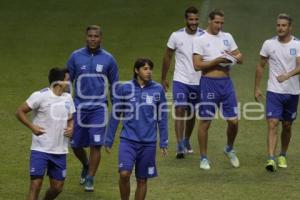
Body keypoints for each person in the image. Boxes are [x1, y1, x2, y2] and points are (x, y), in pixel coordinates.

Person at [105, 58, 168, 200]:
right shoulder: (125, 88)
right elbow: (116, 114)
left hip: (149, 142)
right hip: (128, 140)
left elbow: (162, 117)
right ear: (136, 70)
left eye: (150, 69)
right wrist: (109, 139)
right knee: (124, 174)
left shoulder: (158, 89)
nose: (149, 72)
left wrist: (163, 141)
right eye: (145, 69)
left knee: (142, 179)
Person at [67, 25, 119, 191]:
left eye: (96, 36)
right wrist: (64, 104)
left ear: (101, 39)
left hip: (99, 108)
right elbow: (67, 81)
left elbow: (114, 84)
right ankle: (85, 164)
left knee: (96, 144)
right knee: (75, 144)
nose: (92, 39)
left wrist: (116, 103)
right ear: (86, 37)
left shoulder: (109, 59)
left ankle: (90, 178)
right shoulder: (75, 56)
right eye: (90, 36)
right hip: (78, 107)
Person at [192, 9, 243, 170]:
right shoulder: (200, 40)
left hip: (226, 83)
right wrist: (218, 60)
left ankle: (229, 148)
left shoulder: (227, 37)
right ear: (209, 21)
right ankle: (204, 158)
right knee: (205, 122)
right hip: (208, 84)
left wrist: (234, 57)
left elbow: (240, 57)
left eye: (221, 23)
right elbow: (197, 65)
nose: (219, 26)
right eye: (216, 22)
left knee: (234, 121)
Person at [16, 67, 75, 200]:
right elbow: (20, 111)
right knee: (35, 185)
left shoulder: (68, 98)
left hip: (60, 151)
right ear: (59, 82)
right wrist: (32, 127)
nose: (70, 83)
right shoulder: (40, 96)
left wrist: (72, 128)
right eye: (67, 80)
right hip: (40, 149)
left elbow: (71, 118)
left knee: (57, 188)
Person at [254, 13, 300, 172]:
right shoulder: (268, 44)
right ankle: (271, 159)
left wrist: (288, 75)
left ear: (290, 27)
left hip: (292, 92)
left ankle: (282, 154)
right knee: (272, 124)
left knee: (287, 125)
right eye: (278, 25)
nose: (280, 28)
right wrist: (257, 87)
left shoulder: (297, 44)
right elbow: (260, 66)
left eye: (283, 25)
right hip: (274, 91)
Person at [161, 6, 203, 159]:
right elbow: (167, 57)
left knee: (191, 113)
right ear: (186, 20)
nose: (194, 22)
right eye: (191, 19)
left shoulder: (204, 36)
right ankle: (179, 145)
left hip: (198, 81)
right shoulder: (176, 36)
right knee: (179, 109)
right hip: (180, 79)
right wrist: (163, 78)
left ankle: (186, 140)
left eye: (196, 19)